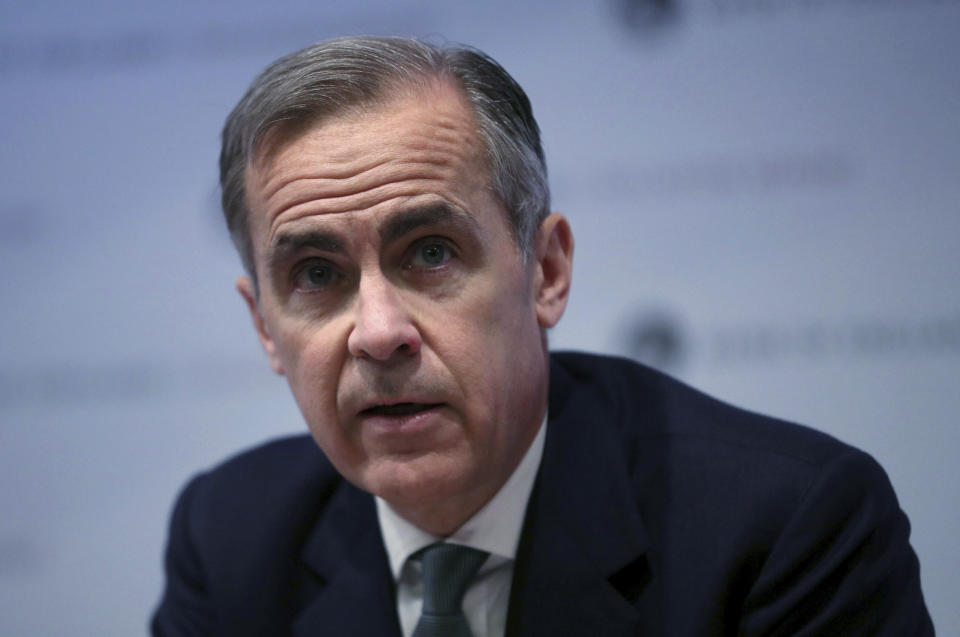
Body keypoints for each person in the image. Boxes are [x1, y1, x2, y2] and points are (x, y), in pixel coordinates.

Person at [152, 36, 933, 636]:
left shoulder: (784, 530)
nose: (379, 333)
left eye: (431, 253)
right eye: (317, 275)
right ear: (264, 325)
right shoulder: (229, 540)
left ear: (547, 271)